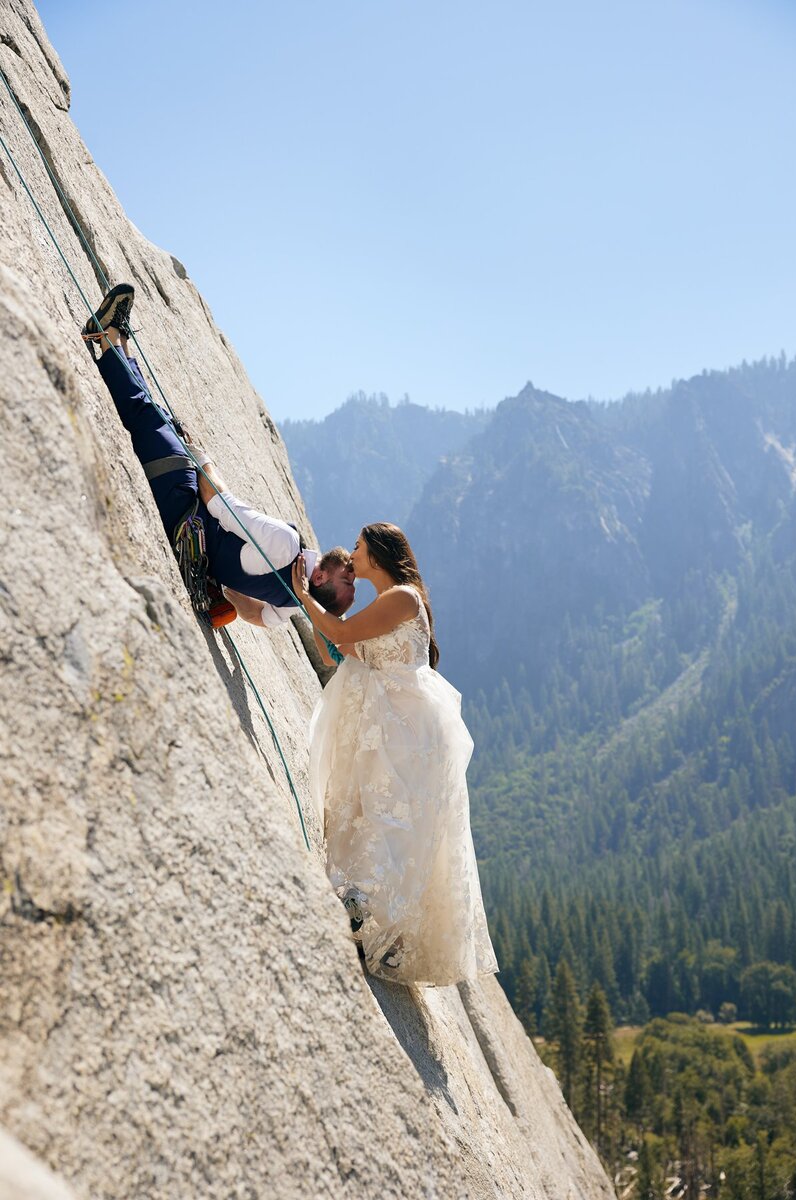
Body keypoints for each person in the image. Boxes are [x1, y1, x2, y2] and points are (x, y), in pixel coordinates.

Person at [292, 522, 498, 986]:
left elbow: (339, 632)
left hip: (403, 729)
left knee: (392, 822)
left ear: (378, 555)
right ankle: (369, 914)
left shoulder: (401, 598)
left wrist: (303, 597)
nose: (353, 556)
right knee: (379, 818)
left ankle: (373, 917)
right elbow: (342, 649)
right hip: (390, 725)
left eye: (360, 549)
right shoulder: (391, 602)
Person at [81, 284, 355, 626]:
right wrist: (222, 583)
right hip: (186, 532)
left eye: (347, 579)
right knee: (157, 416)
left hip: (185, 501)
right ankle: (117, 336)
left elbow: (217, 501)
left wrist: (201, 454)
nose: (352, 571)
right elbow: (257, 614)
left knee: (147, 416)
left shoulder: (286, 544)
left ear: (319, 578)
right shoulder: (289, 607)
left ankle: (106, 337)